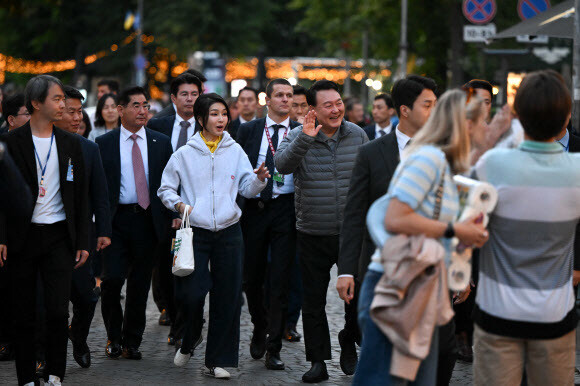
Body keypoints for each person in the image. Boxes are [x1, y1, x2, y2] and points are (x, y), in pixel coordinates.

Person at [353, 89, 489, 385]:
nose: (485, 128)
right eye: (483, 121)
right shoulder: (429, 158)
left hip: (422, 283)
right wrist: (457, 230)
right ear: (464, 124)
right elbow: (395, 217)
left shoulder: (448, 163)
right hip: (397, 284)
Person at [472, 70, 580, 385]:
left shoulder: (493, 165)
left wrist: (488, 141)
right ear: (566, 118)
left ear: (518, 116)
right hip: (555, 314)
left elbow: (456, 210)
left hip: (497, 314)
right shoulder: (577, 171)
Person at [158, 93, 269, 379]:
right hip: (195, 230)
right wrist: (179, 204)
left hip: (230, 231)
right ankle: (191, 334)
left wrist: (258, 179)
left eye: (223, 114)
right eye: (215, 114)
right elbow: (165, 189)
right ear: (201, 119)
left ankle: (218, 360)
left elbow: (245, 188)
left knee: (228, 296)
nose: (221, 119)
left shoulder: (234, 150)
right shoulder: (184, 152)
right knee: (191, 293)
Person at [275, 80, 368, 383]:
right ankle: (318, 361)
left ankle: (349, 338)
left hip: (352, 234)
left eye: (338, 102)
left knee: (355, 298)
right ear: (313, 110)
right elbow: (282, 166)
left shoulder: (358, 135)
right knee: (312, 301)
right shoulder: (296, 135)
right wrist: (305, 137)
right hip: (312, 231)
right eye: (327, 105)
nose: (336, 109)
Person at [0, 75, 90, 386]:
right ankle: (26, 377)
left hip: (59, 237)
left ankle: (55, 373)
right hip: (22, 237)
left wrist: (83, 241)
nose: (63, 104)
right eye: (56, 99)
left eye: (63, 99)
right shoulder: (11, 143)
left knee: (56, 311)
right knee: (23, 313)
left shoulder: (70, 144)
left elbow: (79, 196)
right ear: (36, 104)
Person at [96, 86, 175, 361]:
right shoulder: (104, 143)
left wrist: (171, 216)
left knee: (140, 286)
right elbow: (99, 189)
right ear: (120, 110)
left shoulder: (160, 142)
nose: (143, 111)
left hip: (148, 221)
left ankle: (132, 341)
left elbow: (170, 183)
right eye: (136, 105)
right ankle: (112, 336)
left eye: (146, 105)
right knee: (112, 280)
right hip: (116, 222)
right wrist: (101, 226)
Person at [236, 79, 300, 370]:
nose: (285, 100)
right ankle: (259, 325)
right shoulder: (249, 129)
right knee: (252, 276)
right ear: (268, 99)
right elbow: (236, 170)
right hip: (255, 209)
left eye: (289, 95)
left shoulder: (300, 132)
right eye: (280, 95)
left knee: (280, 279)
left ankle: (274, 346)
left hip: (287, 210)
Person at [52, 86, 111, 369]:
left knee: (86, 297)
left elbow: (100, 194)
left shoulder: (89, 148)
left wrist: (103, 232)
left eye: (80, 112)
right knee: (51, 302)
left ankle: (79, 336)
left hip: (81, 237)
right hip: (47, 235)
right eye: (71, 112)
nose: (77, 118)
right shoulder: (41, 145)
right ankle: (44, 357)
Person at [147, 72, 204, 344]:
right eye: (184, 94)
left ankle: (187, 327)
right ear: (173, 98)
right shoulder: (157, 126)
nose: (190, 99)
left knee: (192, 272)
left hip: (196, 212)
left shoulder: (208, 127)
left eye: (194, 94)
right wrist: (170, 212)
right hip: (162, 211)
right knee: (166, 272)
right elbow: (155, 173)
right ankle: (172, 316)